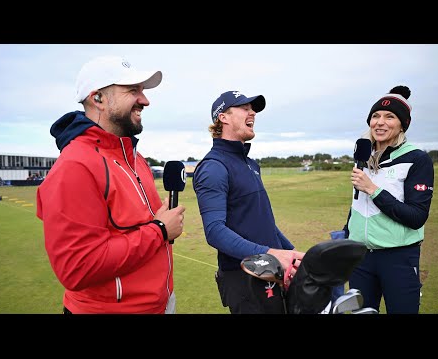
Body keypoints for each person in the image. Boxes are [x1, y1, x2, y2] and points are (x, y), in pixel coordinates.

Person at [36, 55, 185, 314]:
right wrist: (160, 229)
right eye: (132, 90)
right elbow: (77, 267)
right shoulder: (75, 166)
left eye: (143, 90)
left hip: (159, 305)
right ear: (98, 99)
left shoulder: (137, 159)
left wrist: (157, 223)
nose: (145, 100)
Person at [193, 90, 305, 314]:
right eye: (244, 108)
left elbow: (262, 222)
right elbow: (215, 231)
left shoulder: (251, 164)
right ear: (223, 117)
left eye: (252, 109)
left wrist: (291, 254)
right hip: (243, 277)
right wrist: (271, 254)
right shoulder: (213, 167)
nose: (252, 112)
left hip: (270, 271)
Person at [343, 85, 434, 314]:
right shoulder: (362, 156)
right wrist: (346, 234)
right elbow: (357, 204)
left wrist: (373, 189)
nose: (380, 122)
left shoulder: (417, 159)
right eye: (376, 116)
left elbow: (416, 217)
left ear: (402, 124)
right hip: (360, 257)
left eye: (389, 117)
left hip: (398, 257)